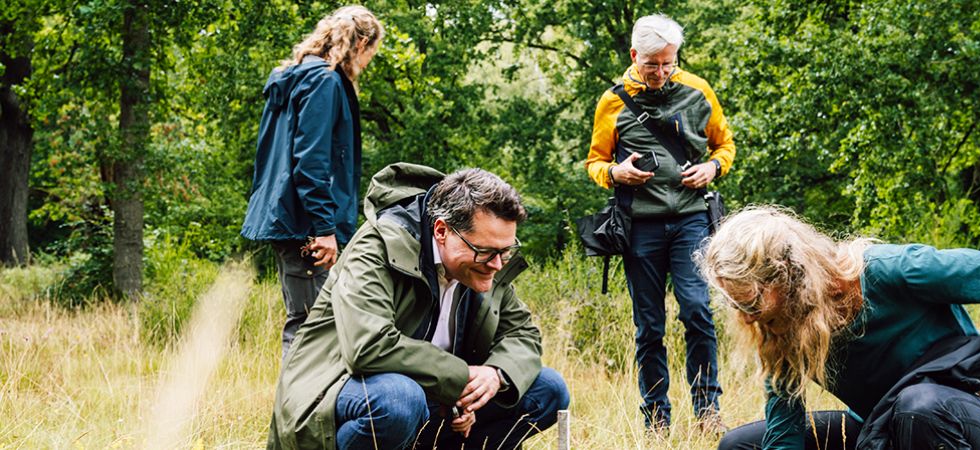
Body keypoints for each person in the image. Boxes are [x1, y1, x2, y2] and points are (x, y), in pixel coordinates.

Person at [699, 206, 980, 449]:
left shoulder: (889, 270)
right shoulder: (781, 328)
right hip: (886, 429)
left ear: (790, 278)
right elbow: (785, 434)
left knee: (918, 406)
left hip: (977, 419)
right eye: (733, 303)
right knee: (740, 445)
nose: (745, 317)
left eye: (749, 301)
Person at [267, 163, 571, 450]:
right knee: (398, 400)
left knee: (548, 389)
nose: (496, 264)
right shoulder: (376, 246)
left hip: (435, 397)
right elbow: (368, 346)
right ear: (442, 231)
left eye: (506, 251)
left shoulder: (486, 257)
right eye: (486, 252)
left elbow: (522, 335)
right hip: (337, 389)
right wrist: (461, 379)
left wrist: (493, 375)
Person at [583, 13, 737, 434]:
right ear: (635, 56)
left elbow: (726, 146)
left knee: (697, 312)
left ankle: (707, 411)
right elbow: (594, 162)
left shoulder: (698, 90)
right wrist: (616, 174)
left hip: (691, 219)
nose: (661, 72)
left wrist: (712, 169)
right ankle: (655, 419)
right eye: (652, 64)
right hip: (640, 226)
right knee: (649, 325)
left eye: (669, 63)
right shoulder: (612, 102)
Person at [241, 5, 383, 355]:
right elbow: (311, 162)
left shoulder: (298, 77)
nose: (366, 65)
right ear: (361, 43)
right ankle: (297, 409)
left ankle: (304, 407)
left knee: (309, 321)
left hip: (291, 217)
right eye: (370, 55)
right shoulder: (324, 82)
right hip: (305, 223)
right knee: (311, 327)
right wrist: (324, 228)